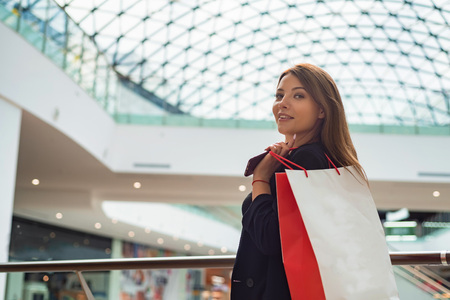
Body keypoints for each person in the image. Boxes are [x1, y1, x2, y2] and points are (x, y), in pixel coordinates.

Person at [230, 63, 366, 299]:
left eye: (298, 95)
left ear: (322, 110)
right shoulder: (322, 159)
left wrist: (260, 179)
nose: (282, 103)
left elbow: (273, 238)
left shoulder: (307, 160)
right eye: (279, 95)